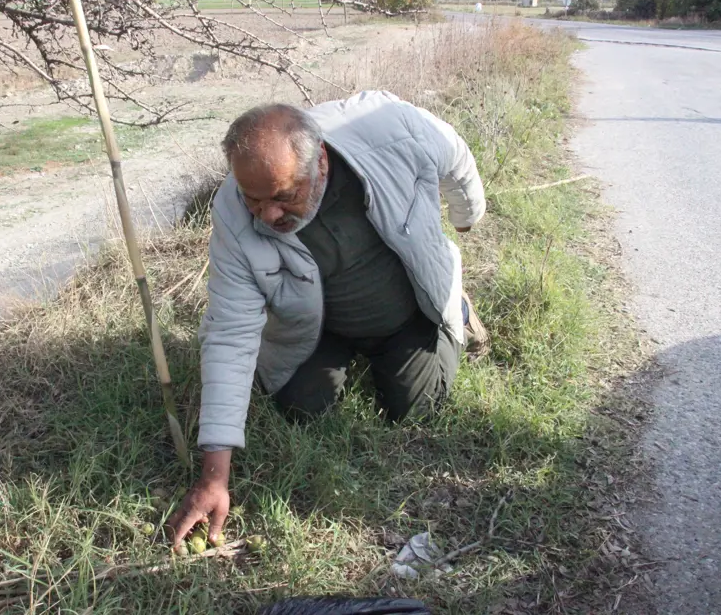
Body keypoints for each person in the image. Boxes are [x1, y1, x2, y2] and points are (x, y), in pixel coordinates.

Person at [168, 91, 489, 547]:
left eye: (284, 196)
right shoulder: (233, 212)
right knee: (300, 408)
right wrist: (214, 478)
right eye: (254, 200)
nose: (269, 214)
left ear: (319, 161)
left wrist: (466, 214)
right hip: (321, 328)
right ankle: (345, 353)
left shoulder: (390, 127)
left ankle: (456, 305)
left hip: (405, 313)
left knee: (415, 411)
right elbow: (229, 333)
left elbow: (454, 154)